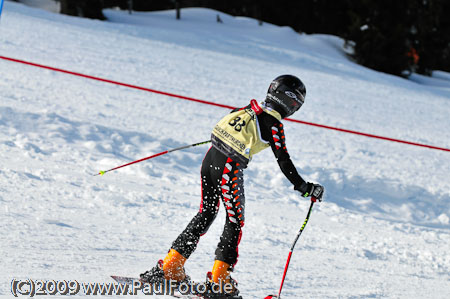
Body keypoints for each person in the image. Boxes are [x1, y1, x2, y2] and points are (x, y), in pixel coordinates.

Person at [140, 75, 325, 298]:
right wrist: (304, 186)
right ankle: (219, 282)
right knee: (235, 220)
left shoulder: (247, 108)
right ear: (291, 102)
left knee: (207, 212)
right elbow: (283, 160)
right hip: (227, 166)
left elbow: (231, 124)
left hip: (211, 159)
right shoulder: (273, 125)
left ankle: (170, 268)